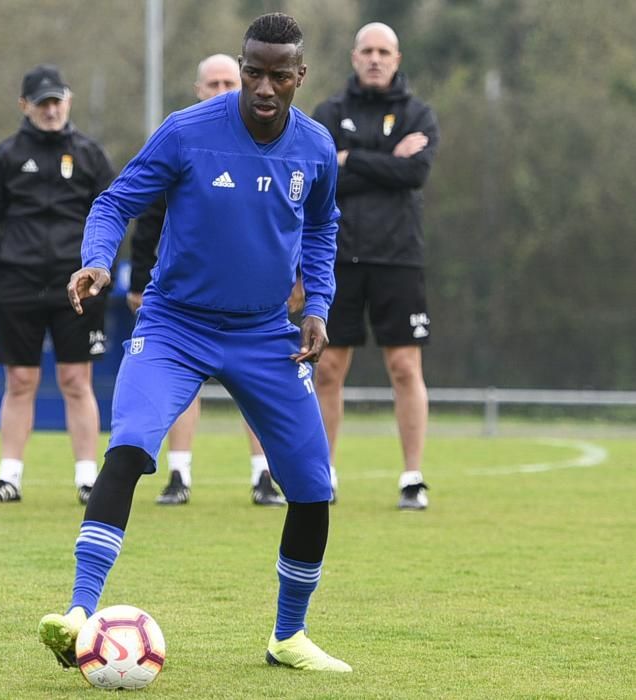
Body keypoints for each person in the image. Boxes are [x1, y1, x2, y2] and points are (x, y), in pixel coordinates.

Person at [38, 13, 351, 673]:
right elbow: (113, 204)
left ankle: (287, 638)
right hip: (175, 326)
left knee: (314, 488)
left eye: (278, 74)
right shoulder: (187, 133)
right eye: (253, 72)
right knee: (127, 446)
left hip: (267, 335)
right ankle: (76, 614)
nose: (264, 87)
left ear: (300, 77)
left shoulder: (317, 148)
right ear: (241, 69)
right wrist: (98, 260)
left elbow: (323, 227)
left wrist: (317, 305)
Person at [127, 53, 285, 508]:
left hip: (253, 304)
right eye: (211, 83)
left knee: (257, 388)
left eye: (227, 82)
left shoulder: (271, 144)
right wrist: (140, 282)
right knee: (184, 387)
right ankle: (179, 473)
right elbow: (149, 217)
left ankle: (263, 476)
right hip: (188, 303)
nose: (220, 90)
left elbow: (292, 224)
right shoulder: (182, 137)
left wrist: (298, 279)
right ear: (198, 89)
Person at [0, 64, 115, 506]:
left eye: (57, 101)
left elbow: (112, 212)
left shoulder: (90, 155)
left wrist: (101, 270)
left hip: (78, 287)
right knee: (20, 379)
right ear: (25, 106)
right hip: (18, 283)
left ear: (68, 100)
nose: (51, 110)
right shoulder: (6, 156)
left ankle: (89, 479)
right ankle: (8, 477)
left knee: (76, 379)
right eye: (42, 103)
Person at [311, 23, 438, 510]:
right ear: (353, 56)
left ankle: (411, 477)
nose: (375, 58)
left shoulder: (419, 113)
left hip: (399, 258)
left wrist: (353, 161)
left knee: (405, 367)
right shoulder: (328, 113)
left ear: (398, 57)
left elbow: (416, 173)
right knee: (329, 369)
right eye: (367, 50)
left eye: (384, 51)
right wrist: (384, 162)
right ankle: (323, 475)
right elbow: (323, 184)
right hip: (337, 258)